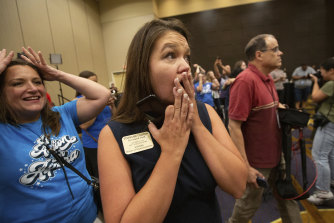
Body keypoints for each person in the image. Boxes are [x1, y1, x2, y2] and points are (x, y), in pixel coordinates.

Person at [98, 19, 247, 223]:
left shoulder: (206, 113)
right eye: (170, 55)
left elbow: (238, 186)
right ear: (143, 69)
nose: (185, 66)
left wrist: (195, 123)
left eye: (186, 56)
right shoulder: (115, 135)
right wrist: (172, 153)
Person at [0, 47, 110, 222]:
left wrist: (56, 74)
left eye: (37, 82)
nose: (32, 88)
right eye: (18, 83)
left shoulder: (62, 114)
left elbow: (102, 95)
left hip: (89, 216)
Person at [228, 34, 302, 223]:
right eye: (275, 49)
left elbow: (266, 110)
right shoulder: (245, 81)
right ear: (259, 55)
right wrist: (246, 167)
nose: (280, 52)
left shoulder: (267, 79)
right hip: (257, 162)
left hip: (278, 156)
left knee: (288, 200)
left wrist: (283, 112)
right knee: (245, 210)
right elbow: (234, 126)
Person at [74, 70, 115, 178]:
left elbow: (115, 117)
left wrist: (112, 105)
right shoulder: (78, 101)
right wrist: (99, 105)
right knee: (101, 177)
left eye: (96, 82)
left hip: (111, 141)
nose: (95, 85)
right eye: (92, 82)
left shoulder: (102, 97)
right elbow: (84, 125)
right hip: (93, 145)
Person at [307, 57, 334, 205]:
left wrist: (316, 82)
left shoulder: (331, 83)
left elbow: (315, 97)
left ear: (331, 70)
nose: (321, 74)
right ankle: (331, 180)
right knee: (330, 154)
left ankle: (323, 192)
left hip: (328, 123)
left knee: (319, 156)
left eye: (322, 71)